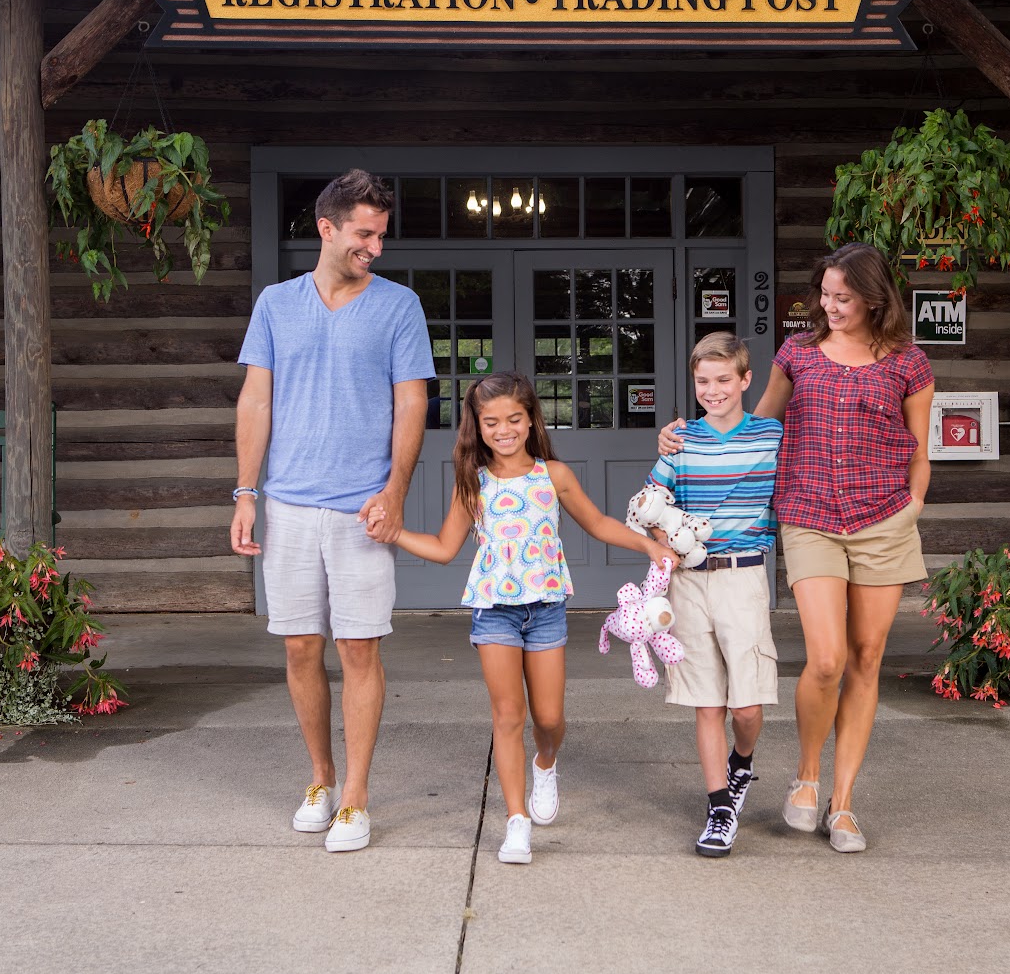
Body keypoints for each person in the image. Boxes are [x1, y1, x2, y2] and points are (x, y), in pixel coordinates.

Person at [660, 243, 932, 853]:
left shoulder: (909, 362)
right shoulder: (798, 354)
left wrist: (914, 502)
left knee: (867, 656)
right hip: (809, 517)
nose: (830, 306)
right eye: (825, 295)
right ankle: (805, 776)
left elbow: (919, 447)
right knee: (828, 657)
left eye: (844, 297)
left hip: (885, 519)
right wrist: (682, 440)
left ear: (874, 298)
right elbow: (751, 426)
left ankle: (843, 802)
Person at [386, 371, 679, 865]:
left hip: (545, 613)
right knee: (508, 715)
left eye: (514, 419)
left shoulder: (553, 475)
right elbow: (441, 548)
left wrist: (648, 544)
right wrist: (393, 532)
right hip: (494, 614)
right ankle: (516, 822)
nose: (504, 430)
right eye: (491, 422)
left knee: (548, 718)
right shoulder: (471, 482)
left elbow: (599, 523)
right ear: (477, 426)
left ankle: (546, 763)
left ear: (531, 420)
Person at [230, 169, 435, 854]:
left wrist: (395, 490)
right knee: (298, 645)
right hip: (286, 503)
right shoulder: (275, 305)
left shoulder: (399, 307)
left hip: (361, 509)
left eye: (381, 234)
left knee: (358, 648)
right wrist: (245, 492)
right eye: (363, 233)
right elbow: (256, 400)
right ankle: (319, 778)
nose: (375, 246)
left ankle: (355, 796)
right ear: (326, 228)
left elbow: (412, 403)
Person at [643, 332, 782, 858]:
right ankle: (719, 807)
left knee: (745, 706)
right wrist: (663, 547)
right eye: (703, 381)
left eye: (724, 380)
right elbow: (650, 509)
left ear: (746, 380)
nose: (713, 390)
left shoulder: (772, 437)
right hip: (688, 583)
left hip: (743, 577)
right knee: (707, 703)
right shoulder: (680, 443)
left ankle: (741, 764)